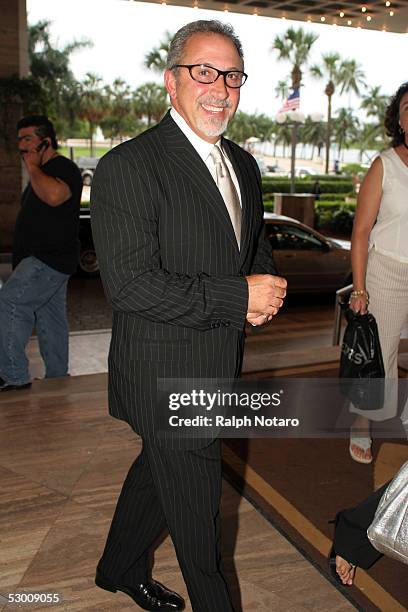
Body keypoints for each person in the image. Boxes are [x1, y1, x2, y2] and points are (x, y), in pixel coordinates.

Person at [91, 20, 286, 612]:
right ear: (171, 81)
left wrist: (265, 287)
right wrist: (237, 297)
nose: (219, 87)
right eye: (203, 70)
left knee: (159, 475)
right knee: (202, 528)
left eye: (231, 75)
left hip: (218, 363)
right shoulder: (129, 166)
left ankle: (117, 568)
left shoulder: (244, 167)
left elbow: (248, 246)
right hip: (162, 373)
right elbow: (129, 285)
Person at [349, 81, 408, 463]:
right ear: (399, 119)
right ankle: (361, 426)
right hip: (386, 272)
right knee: (379, 358)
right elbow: (361, 230)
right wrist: (359, 289)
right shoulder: (383, 165)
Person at [0, 116, 82, 391]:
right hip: (42, 261)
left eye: (27, 139)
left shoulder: (63, 167)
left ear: (46, 140)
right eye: (19, 139)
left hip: (47, 260)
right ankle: (58, 379)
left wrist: (33, 167)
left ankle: (13, 375)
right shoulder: (42, 170)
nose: (21, 145)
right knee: (50, 319)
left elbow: (55, 196)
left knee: (10, 303)